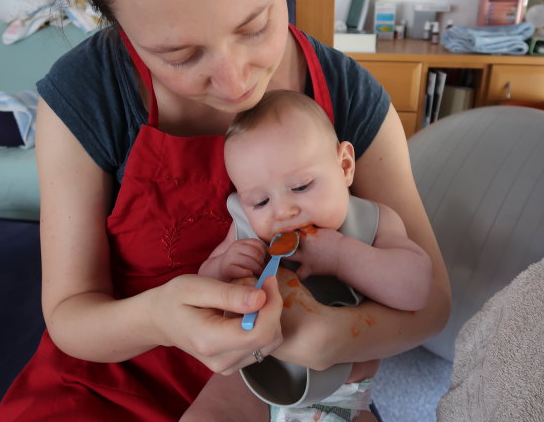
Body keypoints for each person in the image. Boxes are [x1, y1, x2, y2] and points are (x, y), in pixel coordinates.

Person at [0, 0, 451, 420]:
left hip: (299, 381)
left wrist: (333, 336)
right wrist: (159, 318)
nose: (235, 86)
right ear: (113, 18)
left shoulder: (351, 97)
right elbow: (71, 313)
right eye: (180, 55)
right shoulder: (87, 95)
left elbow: (432, 301)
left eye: (255, 27)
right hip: (111, 378)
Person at [186, 89, 433, 422]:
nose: (283, 211)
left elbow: (417, 289)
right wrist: (223, 268)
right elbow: (202, 288)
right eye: (260, 202)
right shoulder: (247, 231)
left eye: (301, 187)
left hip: (341, 396)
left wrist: (343, 256)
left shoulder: (373, 222)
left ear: (344, 165)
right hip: (252, 380)